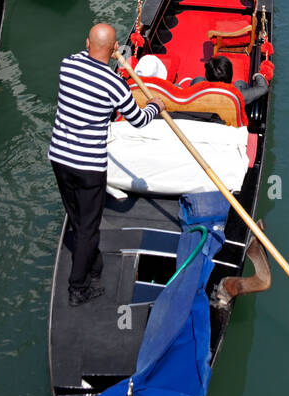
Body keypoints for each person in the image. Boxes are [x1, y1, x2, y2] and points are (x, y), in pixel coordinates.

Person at [49, 24, 166, 306]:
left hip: (59, 158)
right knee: (89, 227)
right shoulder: (116, 85)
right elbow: (138, 120)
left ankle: (93, 264)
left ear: (87, 43)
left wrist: (105, 50)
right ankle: (78, 287)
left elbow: (90, 52)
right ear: (115, 49)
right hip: (89, 166)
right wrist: (156, 106)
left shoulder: (69, 64)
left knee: (77, 218)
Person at [189, 54, 270, 108]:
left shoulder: (197, 87)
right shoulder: (238, 94)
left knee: (198, 80)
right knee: (240, 83)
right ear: (231, 75)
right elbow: (263, 88)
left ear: (207, 76)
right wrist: (257, 76)